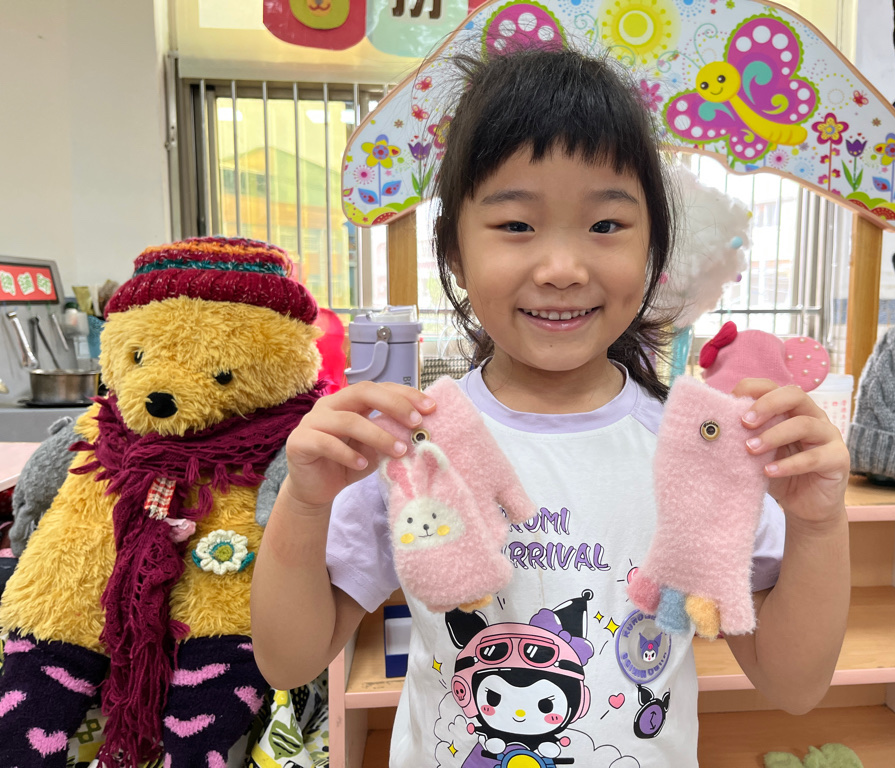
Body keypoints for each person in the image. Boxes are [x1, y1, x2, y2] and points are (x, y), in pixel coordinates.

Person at [251, 47, 850, 767]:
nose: (563, 269)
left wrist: (818, 525)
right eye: (516, 225)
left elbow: (793, 684)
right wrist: (305, 504)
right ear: (454, 253)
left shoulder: (695, 449)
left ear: (654, 251)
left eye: (606, 225)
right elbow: (287, 661)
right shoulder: (416, 447)